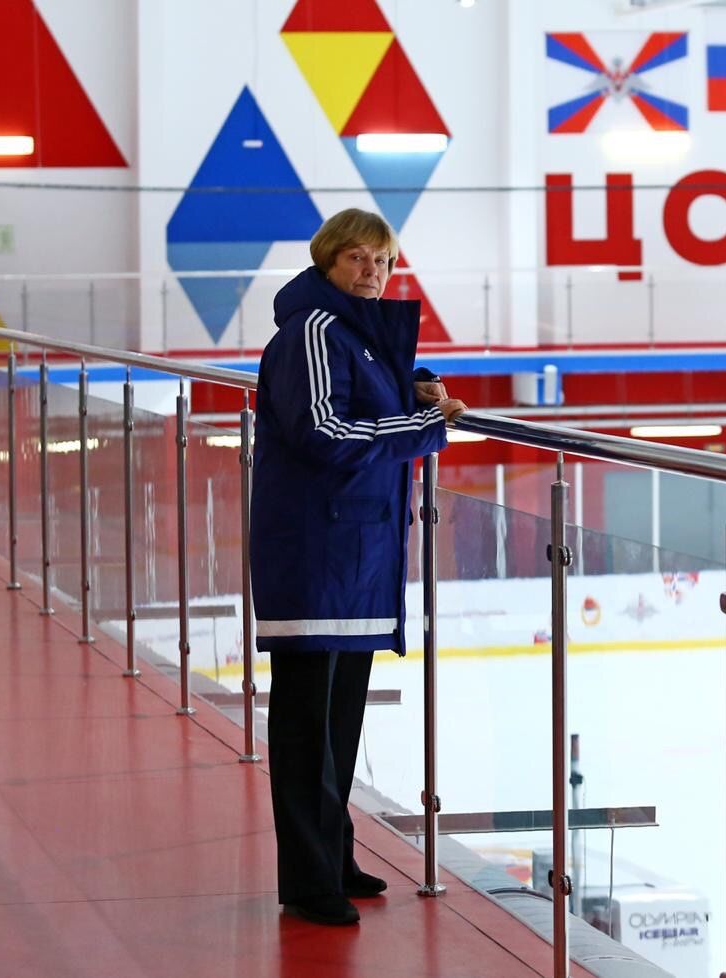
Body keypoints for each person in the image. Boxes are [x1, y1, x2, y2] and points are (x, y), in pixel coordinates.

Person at [249, 208, 465, 926]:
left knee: (339, 720)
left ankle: (333, 859)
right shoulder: (313, 328)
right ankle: (309, 881)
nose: (373, 272)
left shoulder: (354, 333)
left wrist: (417, 386)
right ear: (327, 260)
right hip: (317, 549)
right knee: (307, 723)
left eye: (384, 261)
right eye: (358, 259)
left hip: (356, 550)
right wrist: (426, 424)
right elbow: (324, 430)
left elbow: (362, 393)